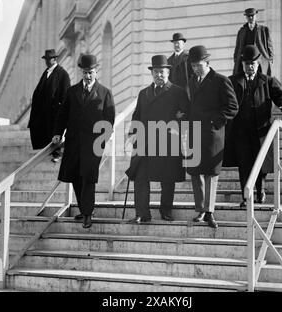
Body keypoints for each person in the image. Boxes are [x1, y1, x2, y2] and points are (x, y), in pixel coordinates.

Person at [52, 54, 115, 228]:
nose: (88, 76)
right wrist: (58, 133)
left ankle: (88, 213)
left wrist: (102, 139)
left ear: (96, 71)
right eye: (85, 72)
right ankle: (84, 209)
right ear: (82, 72)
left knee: (88, 177)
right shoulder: (72, 92)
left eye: (91, 72)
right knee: (75, 177)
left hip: (93, 144)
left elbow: (109, 119)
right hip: (73, 142)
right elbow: (62, 114)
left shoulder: (104, 93)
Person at [224, 45, 282, 207]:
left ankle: (260, 190)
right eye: (247, 64)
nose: (250, 67)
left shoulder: (267, 81)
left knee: (260, 163)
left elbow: (281, 95)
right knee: (244, 163)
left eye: (253, 63)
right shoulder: (233, 81)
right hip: (241, 131)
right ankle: (246, 197)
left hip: (260, 130)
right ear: (242, 64)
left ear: (258, 63)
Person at [126, 55, 189, 224]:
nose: (159, 75)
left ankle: (166, 211)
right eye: (155, 72)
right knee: (140, 178)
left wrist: (177, 124)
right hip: (145, 143)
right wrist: (133, 134)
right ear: (152, 73)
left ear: (168, 72)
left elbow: (186, 115)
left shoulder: (178, 92)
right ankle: (142, 214)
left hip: (168, 142)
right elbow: (136, 116)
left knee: (167, 179)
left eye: (162, 72)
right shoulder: (144, 93)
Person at [187, 46, 239, 228]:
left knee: (210, 172)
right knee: (195, 172)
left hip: (212, 135)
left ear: (207, 63)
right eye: (193, 65)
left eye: (198, 65)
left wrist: (214, 122)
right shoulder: (192, 81)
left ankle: (209, 211)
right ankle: (200, 209)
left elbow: (232, 107)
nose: (195, 69)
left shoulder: (220, 80)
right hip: (194, 132)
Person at [28, 49, 71, 162]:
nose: (47, 61)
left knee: (55, 132)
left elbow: (66, 94)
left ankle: (58, 153)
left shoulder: (62, 74)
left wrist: (61, 109)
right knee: (43, 131)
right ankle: (50, 151)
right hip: (44, 111)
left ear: (55, 59)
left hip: (55, 111)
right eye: (46, 59)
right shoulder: (46, 73)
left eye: (49, 59)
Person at [233, 8, 274, 76]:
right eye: (248, 16)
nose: (251, 18)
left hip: (260, 59)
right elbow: (237, 47)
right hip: (246, 59)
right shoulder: (242, 31)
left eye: (252, 16)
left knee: (262, 78)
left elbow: (269, 45)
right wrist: (236, 59)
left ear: (256, 16)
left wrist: (270, 58)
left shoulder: (263, 30)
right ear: (246, 17)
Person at [168, 33, 194, 97]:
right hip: (173, 93)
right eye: (174, 43)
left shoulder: (188, 57)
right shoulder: (169, 60)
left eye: (178, 43)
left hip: (186, 92)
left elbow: (192, 75)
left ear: (183, 44)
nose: (176, 45)